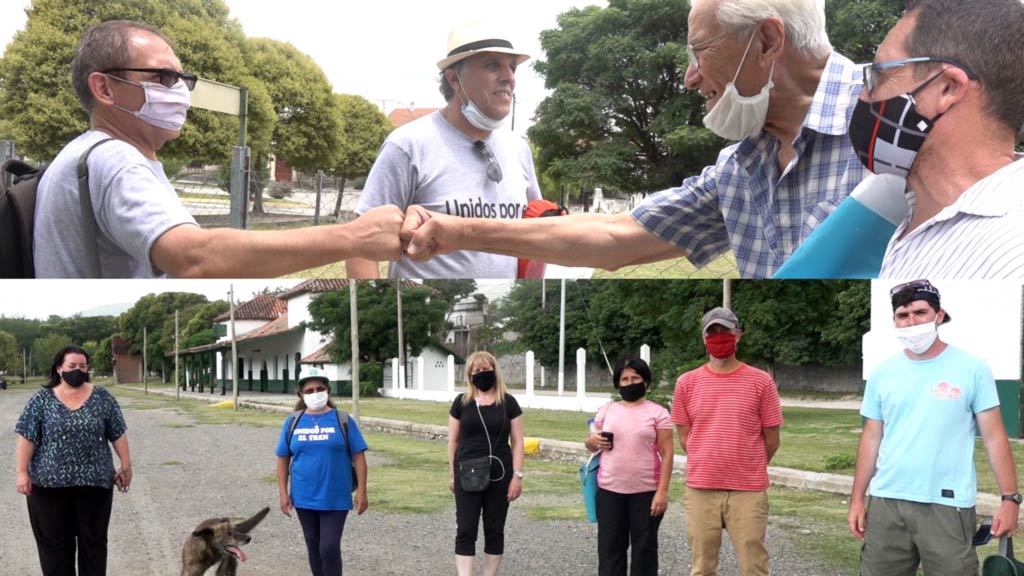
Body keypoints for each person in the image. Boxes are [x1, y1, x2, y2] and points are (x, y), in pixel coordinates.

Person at [401, 0, 868, 279]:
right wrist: (456, 231)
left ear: (766, 41)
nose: (690, 77)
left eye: (701, 52)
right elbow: (613, 236)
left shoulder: (904, 121)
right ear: (453, 78)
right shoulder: (740, 169)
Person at [34, 19, 403, 278]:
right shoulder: (116, 160)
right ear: (105, 88)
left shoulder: (86, 152)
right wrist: (353, 237)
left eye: (182, 79)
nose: (178, 89)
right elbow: (194, 259)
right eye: (162, 77)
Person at [345, 21, 542, 280]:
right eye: (493, 65)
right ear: (453, 78)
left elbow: (537, 229)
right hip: (419, 311)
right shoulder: (408, 145)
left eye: (512, 67)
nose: (509, 78)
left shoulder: (518, 148)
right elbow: (361, 246)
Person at [848, 280, 1020, 575]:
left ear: (939, 315)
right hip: (887, 501)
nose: (912, 322)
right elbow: (872, 438)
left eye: (920, 312)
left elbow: (994, 437)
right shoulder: (883, 371)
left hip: (946, 506)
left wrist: (1010, 499)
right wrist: (857, 499)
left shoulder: (972, 368)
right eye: (903, 316)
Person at [851, 0, 1024, 278]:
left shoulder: (1011, 257)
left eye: (879, 75)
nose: (864, 96)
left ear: (947, 89)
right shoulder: (911, 215)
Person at [672, 307, 783, 576]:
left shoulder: (761, 382)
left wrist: (746, 462)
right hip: (701, 488)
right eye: (713, 332)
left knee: (753, 565)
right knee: (702, 567)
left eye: (725, 331)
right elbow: (686, 436)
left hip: (748, 490)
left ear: (738, 335)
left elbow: (772, 438)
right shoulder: (686, 383)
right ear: (703, 337)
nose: (719, 337)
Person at [14, 345, 132, 576]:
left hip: (94, 485)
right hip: (48, 488)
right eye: (71, 366)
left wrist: (126, 465)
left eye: (82, 366)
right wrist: (21, 472)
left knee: (94, 544)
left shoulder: (103, 397)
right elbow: (26, 437)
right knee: (54, 548)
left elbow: (117, 432)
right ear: (59, 368)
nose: (77, 370)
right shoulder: (41, 400)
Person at [584, 357, 673, 576]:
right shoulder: (608, 410)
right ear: (617, 383)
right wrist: (592, 442)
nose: (629, 382)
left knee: (644, 552)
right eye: (624, 379)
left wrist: (662, 492)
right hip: (609, 492)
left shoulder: (658, 413)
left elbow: (667, 452)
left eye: (635, 378)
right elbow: (590, 443)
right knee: (610, 552)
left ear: (645, 382)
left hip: (646, 493)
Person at [276, 367, 368, 576]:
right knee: (314, 548)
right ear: (301, 394)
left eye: (319, 388)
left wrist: (362, 491)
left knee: (328, 547)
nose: (315, 393)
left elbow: (359, 457)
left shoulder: (343, 420)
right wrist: (283, 493)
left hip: (335, 495)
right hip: (303, 496)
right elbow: (282, 458)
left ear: (328, 390)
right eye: (309, 391)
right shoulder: (292, 422)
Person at [448, 351, 525, 576]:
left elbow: (519, 441)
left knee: (494, 529)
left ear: (495, 371)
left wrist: (517, 476)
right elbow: (453, 441)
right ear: (470, 375)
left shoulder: (509, 403)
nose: (482, 374)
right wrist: (452, 475)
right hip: (467, 472)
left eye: (486, 369)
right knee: (466, 528)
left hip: (501, 474)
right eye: (477, 371)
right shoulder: (461, 403)